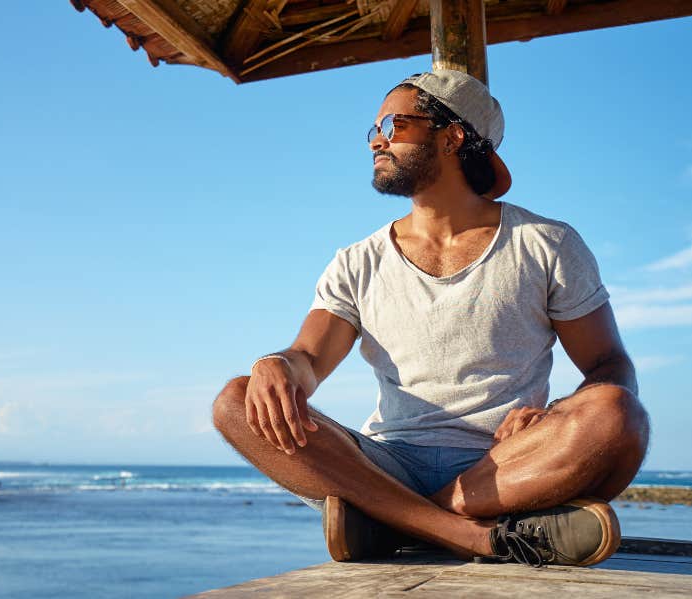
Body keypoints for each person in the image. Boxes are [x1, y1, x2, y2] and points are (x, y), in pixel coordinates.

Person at [211, 70, 649, 568]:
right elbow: (308, 359)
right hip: (386, 465)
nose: (377, 140)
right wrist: (277, 364)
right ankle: (474, 536)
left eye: (394, 125)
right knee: (234, 401)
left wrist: (557, 414)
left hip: (506, 467)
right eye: (372, 130)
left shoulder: (545, 243)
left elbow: (611, 365)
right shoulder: (357, 261)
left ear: (452, 134)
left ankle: (400, 524)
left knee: (620, 413)